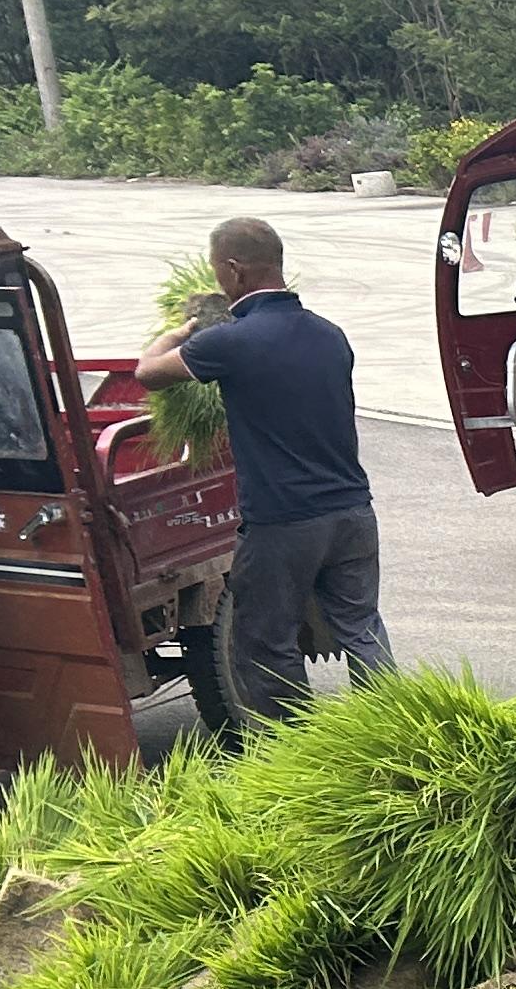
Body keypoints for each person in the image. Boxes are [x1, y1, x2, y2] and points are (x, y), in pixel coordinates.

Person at [132, 216, 391, 719]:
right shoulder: (330, 334)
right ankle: (394, 731)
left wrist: (183, 329)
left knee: (267, 642)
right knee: (361, 629)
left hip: (283, 523)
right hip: (353, 513)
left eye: (217, 271)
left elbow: (148, 373)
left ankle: (296, 753)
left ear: (232, 270)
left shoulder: (228, 343)